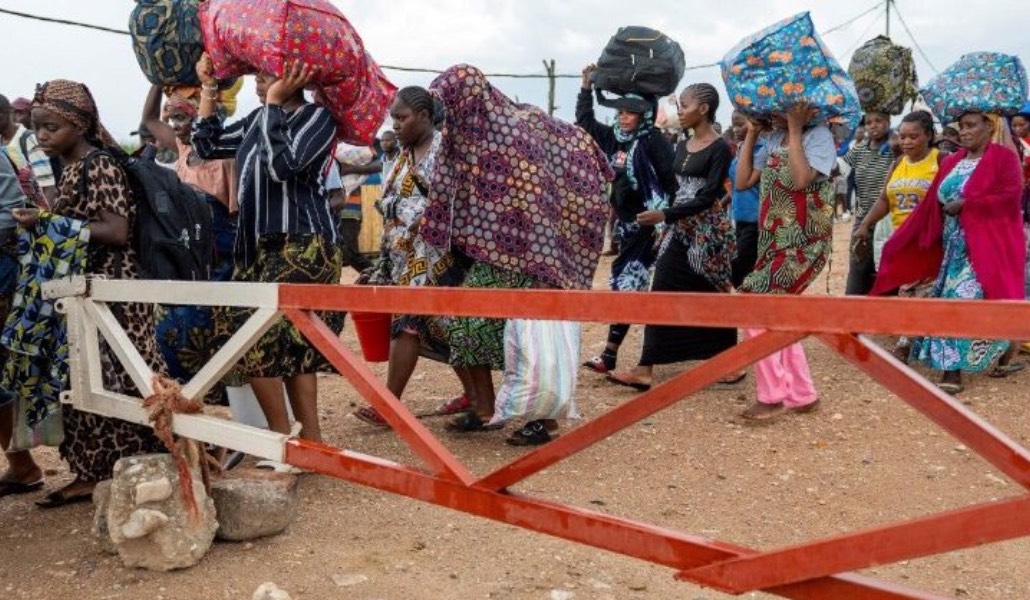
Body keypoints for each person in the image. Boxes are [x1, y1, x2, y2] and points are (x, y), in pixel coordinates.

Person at [420, 64, 609, 444]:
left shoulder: (512, 132)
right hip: (489, 255)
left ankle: (544, 420)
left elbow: (535, 199)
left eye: (449, 102)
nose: (447, 112)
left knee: (531, 341)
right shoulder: (464, 136)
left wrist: (547, 263)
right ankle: (485, 409)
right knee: (464, 327)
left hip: (533, 257)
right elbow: (448, 192)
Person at [2, 80, 166, 506]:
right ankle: (94, 470)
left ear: (78, 123)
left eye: (51, 127)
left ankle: (146, 458)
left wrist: (45, 223)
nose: (42, 137)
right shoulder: (73, 167)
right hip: (84, 289)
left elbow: (116, 231)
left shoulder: (100, 165)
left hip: (114, 291)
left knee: (122, 379)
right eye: (37, 128)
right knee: (82, 379)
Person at [192, 54, 343, 451]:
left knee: (287, 344)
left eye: (269, 73)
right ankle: (292, 441)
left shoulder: (319, 120)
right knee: (255, 341)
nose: (259, 80)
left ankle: (295, 441)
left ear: (298, 75)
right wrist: (209, 88)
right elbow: (205, 145)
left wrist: (274, 104)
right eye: (257, 73)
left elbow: (283, 166)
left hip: (302, 244)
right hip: (255, 246)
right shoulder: (257, 119)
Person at [873, 111, 1026, 394]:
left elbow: (1010, 197)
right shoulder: (954, 161)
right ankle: (987, 357)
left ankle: (954, 370)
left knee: (966, 300)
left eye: (970, 126)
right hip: (952, 249)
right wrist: (908, 239)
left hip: (987, 247)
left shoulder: (1003, 158)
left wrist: (969, 203)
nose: (964, 132)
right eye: (961, 127)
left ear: (989, 127)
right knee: (953, 301)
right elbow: (932, 201)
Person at [353, 86, 476, 427]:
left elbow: (455, 203)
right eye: (393, 118)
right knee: (437, 329)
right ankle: (476, 397)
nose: (395, 125)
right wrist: (382, 265)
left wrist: (421, 219)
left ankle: (388, 407)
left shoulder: (444, 153)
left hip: (441, 258)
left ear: (424, 117)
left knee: (409, 327)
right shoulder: (403, 156)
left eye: (402, 118)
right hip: (408, 259)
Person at [605, 84, 737, 391]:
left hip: (707, 233)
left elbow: (708, 197)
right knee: (661, 290)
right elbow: (675, 188)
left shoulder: (719, 148)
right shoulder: (681, 145)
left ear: (703, 109)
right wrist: (662, 216)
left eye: (685, 105)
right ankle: (644, 368)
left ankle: (728, 362)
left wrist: (665, 216)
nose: (680, 110)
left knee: (712, 293)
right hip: (679, 228)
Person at [734, 102, 837, 421]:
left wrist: (794, 128)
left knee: (753, 304)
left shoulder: (818, 136)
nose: (771, 113)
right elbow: (742, 182)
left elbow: (801, 179)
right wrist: (751, 135)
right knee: (779, 312)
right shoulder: (774, 137)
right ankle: (802, 393)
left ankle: (772, 395)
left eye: (779, 107)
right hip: (774, 239)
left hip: (804, 241)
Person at [577, 63, 677, 374]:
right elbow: (585, 123)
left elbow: (672, 184)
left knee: (629, 287)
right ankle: (612, 356)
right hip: (626, 227)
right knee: (627, 286)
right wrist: (585, 87)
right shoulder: (615, 138)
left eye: (630, 112)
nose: (623, 116)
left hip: (651, 229)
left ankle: (618, 357)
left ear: (644, 114)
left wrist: (664, 218)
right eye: (620, 110)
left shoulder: (654, 142)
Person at [844, 112, 896, 295]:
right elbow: (840, 168)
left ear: (888, 121)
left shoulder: (895, 147)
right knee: (858, 268)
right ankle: (853, 314)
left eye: (879, 121)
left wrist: (894, 141)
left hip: (889, 219)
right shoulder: (859, 149)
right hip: (863, 217)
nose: (873, 126)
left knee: (886, 269)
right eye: (869, 123)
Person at [0, 94, 57, 204]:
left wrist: (43, 216)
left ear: (7, 112)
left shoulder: (28, 139)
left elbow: (47, 185)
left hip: (31, 212)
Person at [728, 109, 762, 287]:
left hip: (755, 221)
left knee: (739, 267)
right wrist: (724, 202)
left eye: (740, 124)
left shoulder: (762, 150)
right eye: (733, 124)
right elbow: (735, 185)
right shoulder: (740, 149)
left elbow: (744, 183)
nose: (735, 129)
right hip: (738, 218)